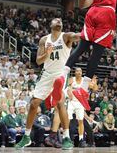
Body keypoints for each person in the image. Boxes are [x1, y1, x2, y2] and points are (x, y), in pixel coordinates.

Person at [15, 18, 80, 149]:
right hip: (46, 73)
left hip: (60, 74)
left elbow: (77, 36)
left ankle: (67, 138)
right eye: (56, 20)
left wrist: (94, 31)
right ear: (50, 25)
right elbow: (38, 61)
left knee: (60, 104)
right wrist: (47, 53)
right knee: (33, 104)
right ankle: (26, 137)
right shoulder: (44, 40)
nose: (59, 21)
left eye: (61, 20)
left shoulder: (66, 36)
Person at [66, 68, 87, 147]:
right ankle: (66, 137)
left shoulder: (84, 81)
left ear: (82, 73)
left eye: (80, 71)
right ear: (75, 72)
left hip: (80, 102)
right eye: (77, 71)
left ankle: (81, 139)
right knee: (68, 119)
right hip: (71, 102)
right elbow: (68, 89)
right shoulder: (71, 79)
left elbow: (88, 90)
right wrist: (69, 92)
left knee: (80, 121)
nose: (79, 72)